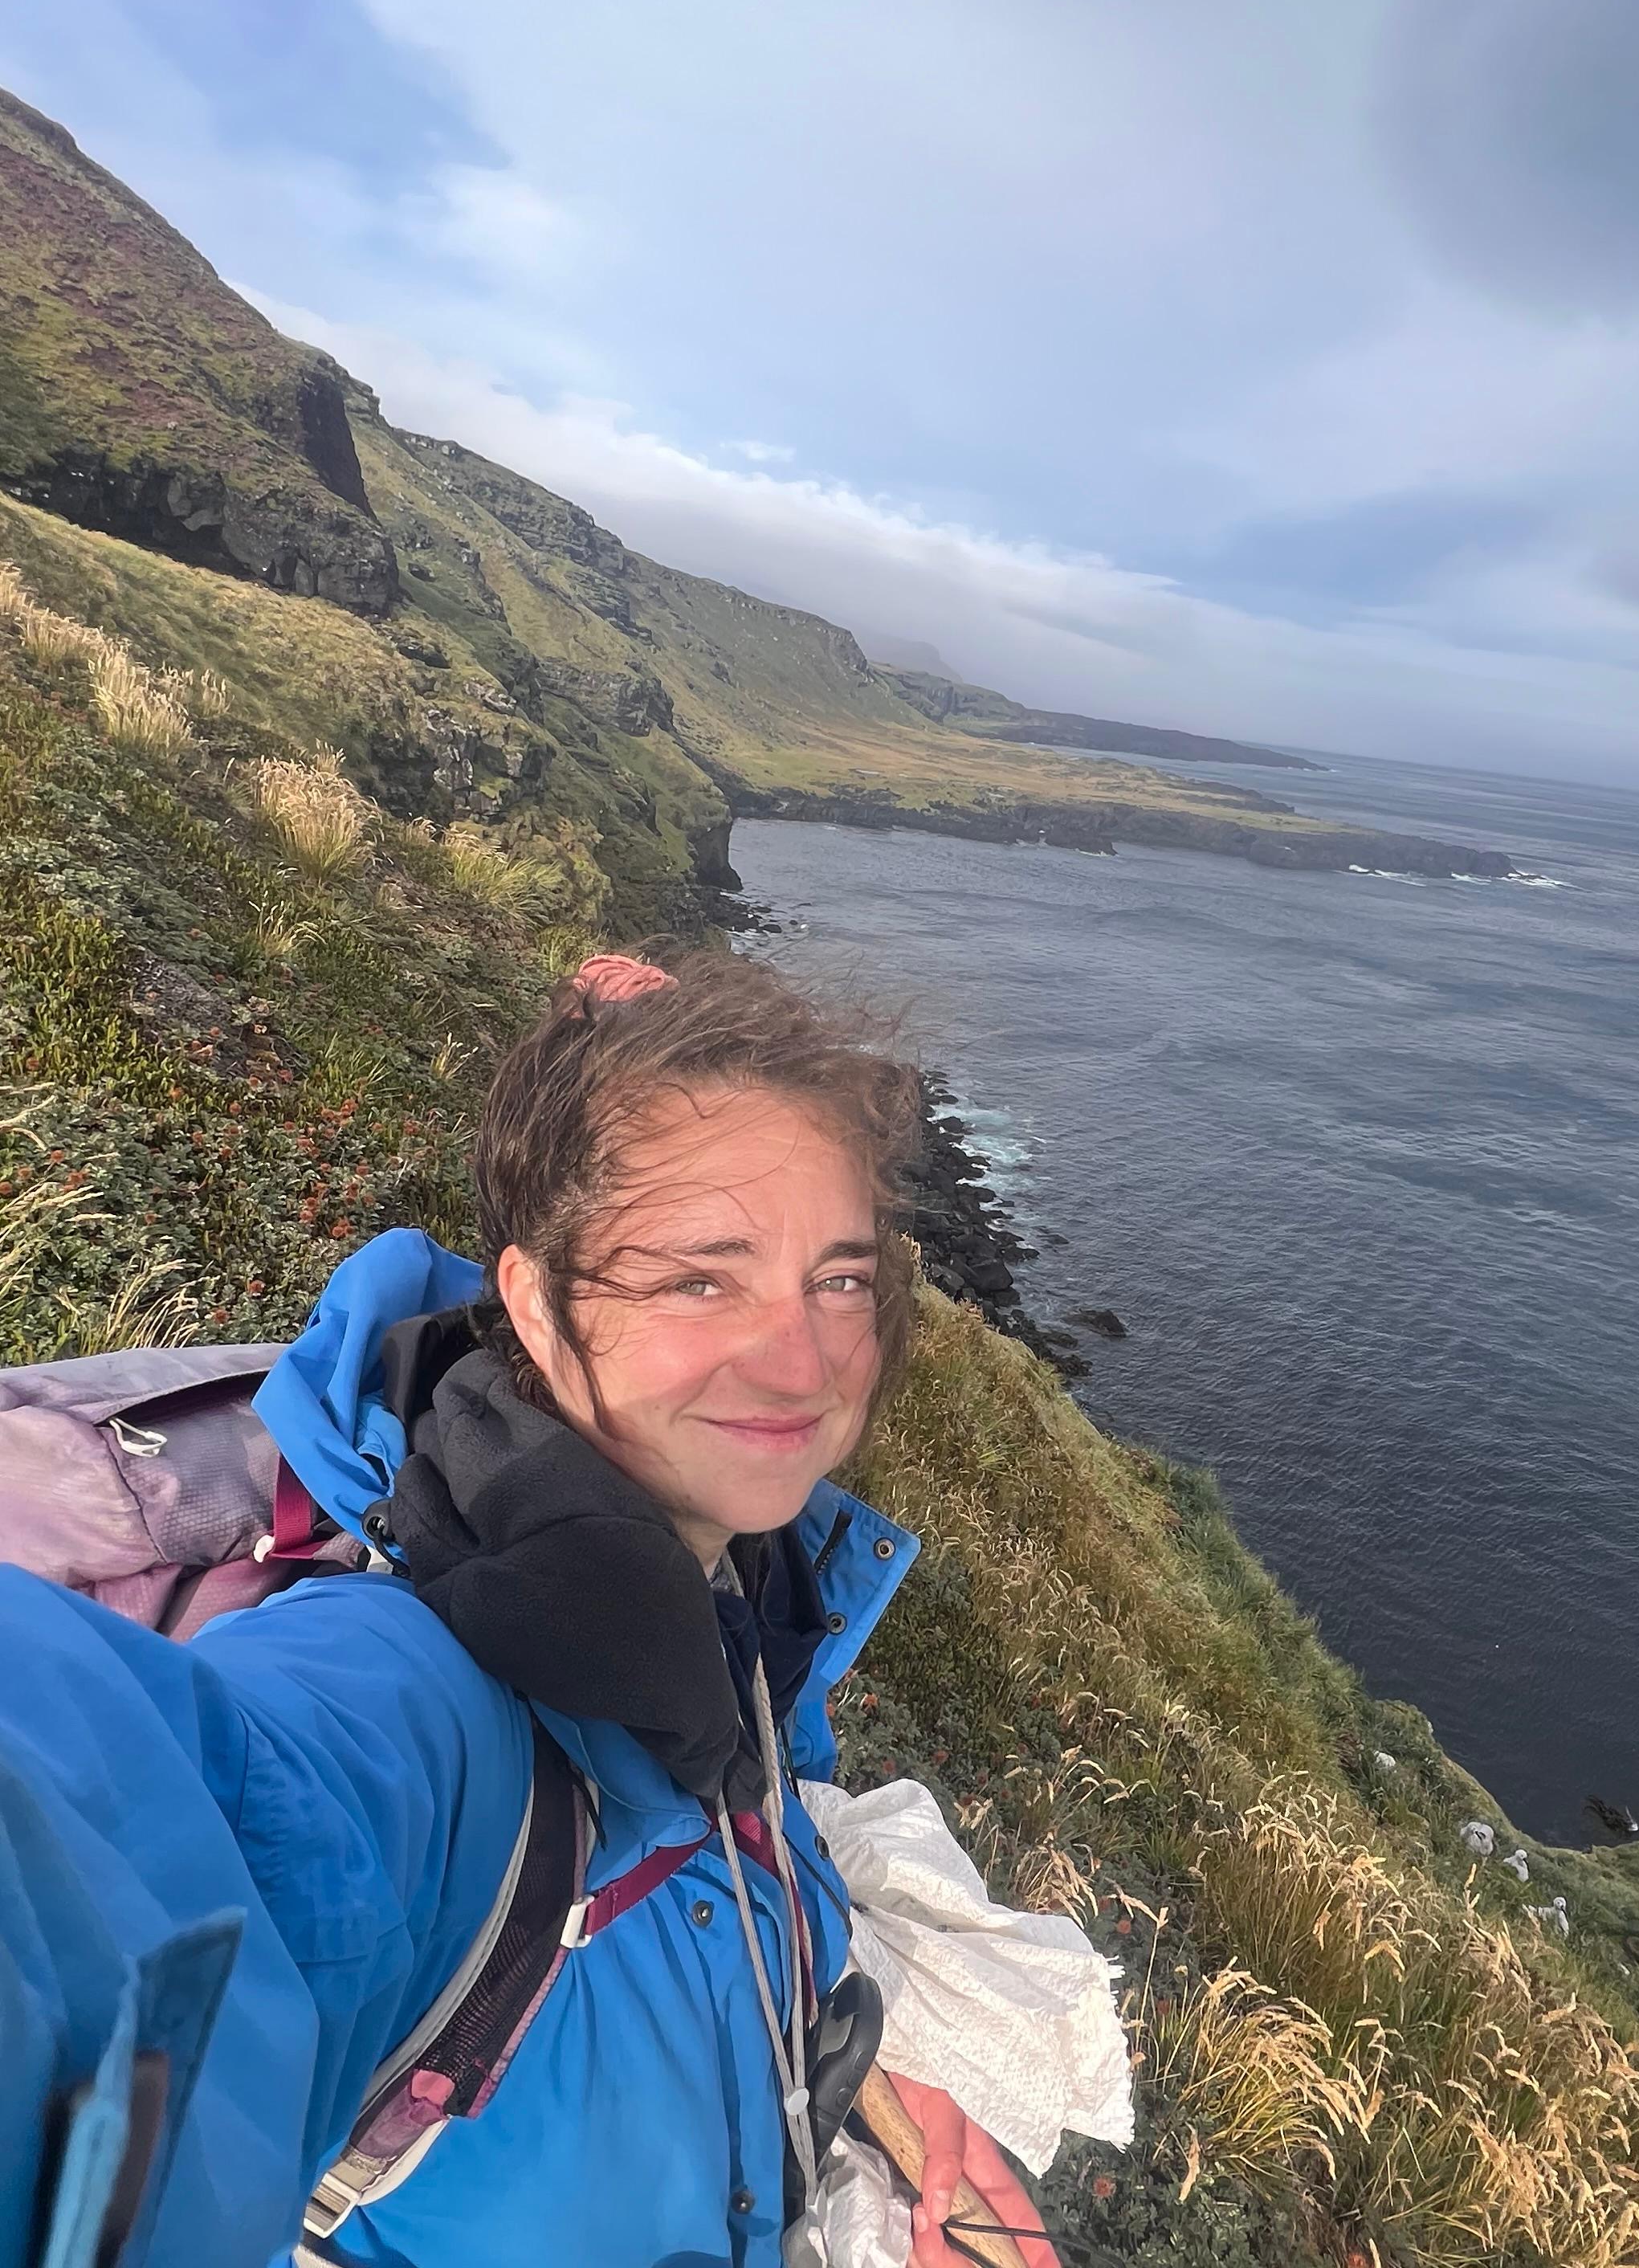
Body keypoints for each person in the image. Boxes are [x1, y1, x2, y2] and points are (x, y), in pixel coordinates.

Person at [0, 952, 1061, 2268]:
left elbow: (711, 1873)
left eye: (838, 1278)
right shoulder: (418, 1692)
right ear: (534, 1307)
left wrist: (844, 2088)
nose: (802, 1360)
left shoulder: (741, 1589)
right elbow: (143, 1832)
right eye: (698, 1277)